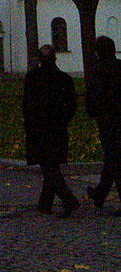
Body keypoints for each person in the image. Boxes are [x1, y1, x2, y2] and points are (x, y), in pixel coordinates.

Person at [23, 43, 80, 217]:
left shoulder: (33, 78)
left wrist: (29, 125)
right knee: (52, 164)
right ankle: (45, 203)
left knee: (48, 166)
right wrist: (63, 120)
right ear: (55, 58)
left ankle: (68, 198)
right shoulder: (65, 79)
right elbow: (72, 105)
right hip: (58, 128)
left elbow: (28, 105)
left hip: (39, 128)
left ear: (39, 59)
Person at [86, 35, 121, 208]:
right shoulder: (119, 66)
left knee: (114, 158)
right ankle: (100, 194)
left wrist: (93, 112)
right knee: (112, 157)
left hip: (108, 119)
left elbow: (96, 97)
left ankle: (101, 194)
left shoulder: (97, 70)